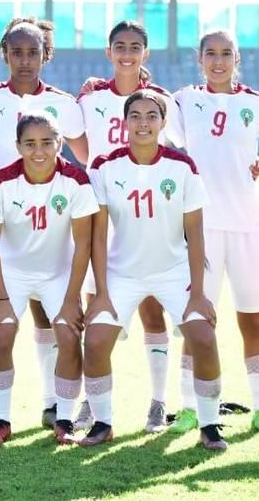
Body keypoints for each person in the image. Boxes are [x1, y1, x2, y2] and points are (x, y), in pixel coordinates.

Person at [165, 29, 259, 436]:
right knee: (197, 322)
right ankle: (187, 408)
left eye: (226, 54)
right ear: (199, 60)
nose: (218, 61)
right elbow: (154, 121)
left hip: (249, 226)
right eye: (211, 54)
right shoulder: (184, 100)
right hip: (200, 228)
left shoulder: (255, 103)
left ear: (238, 59)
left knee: (253, 320)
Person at [83, 90, 226, 451]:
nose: (143, 123)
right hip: (121, 273)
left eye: (151, 116)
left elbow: (195, 231)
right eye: (136, 115)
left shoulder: (182, 166)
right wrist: (100, 292)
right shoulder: (103, 166)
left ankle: (209, 425)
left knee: (204, 338)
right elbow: (98, 235)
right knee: (96, 341)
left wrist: (197, 292)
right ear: (124, 122)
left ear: (163, 123)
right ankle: (102, 423)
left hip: (174, 272)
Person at [0, 16, 87, 431]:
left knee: (46, 316)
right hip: (2, 223)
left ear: (45, 55)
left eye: (33, 52)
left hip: (51, 224)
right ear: (5, 54)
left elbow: (88, 155)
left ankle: (54, 403)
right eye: (16, 52)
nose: (24, 60)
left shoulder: (65, 103)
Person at [72, 21, 181, 433]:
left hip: (148, 216)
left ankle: (157, 402)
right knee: (98, 311)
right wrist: (97, 172)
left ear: (146, 53)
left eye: (136, 47)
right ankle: (91, 401)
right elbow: (80, 145)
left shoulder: (161, 101)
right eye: (120, 46)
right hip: (104, 213)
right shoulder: (91, 96)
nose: (127, 53)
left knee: (153, 311)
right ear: (108, 51)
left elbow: (180, 148)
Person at [0, 113, 96, 446]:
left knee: (70, 337)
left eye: (47, 142)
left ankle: (66, 420)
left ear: (60, 143)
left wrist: (72, 299)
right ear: (18, 146)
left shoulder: (75, 180)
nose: (39, 150)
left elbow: (83, 243)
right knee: (1, 335)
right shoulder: (0, 181)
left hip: (58, 273)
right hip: (10, 272)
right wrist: (0, 299)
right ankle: (0, 420)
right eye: (30, 143)